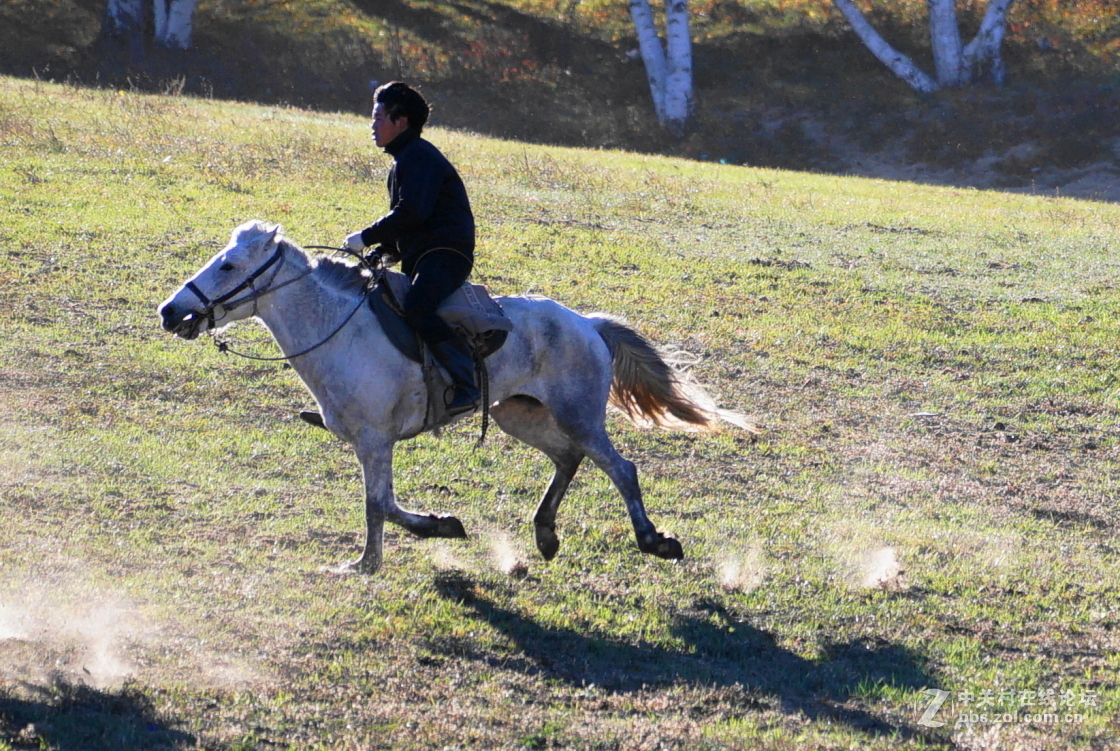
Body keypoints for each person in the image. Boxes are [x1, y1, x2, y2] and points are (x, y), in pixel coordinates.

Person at [344, 81, 480, 415]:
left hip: (446, 254)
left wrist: (366, 237)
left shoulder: (417, 157)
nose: (372, 127)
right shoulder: (406, 159)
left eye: (378, 118)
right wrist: (381, 252)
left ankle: (467, 383)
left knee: (418, 307)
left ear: (400, 121)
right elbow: (411, 222)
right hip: (426, 253)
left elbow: (412, 213)